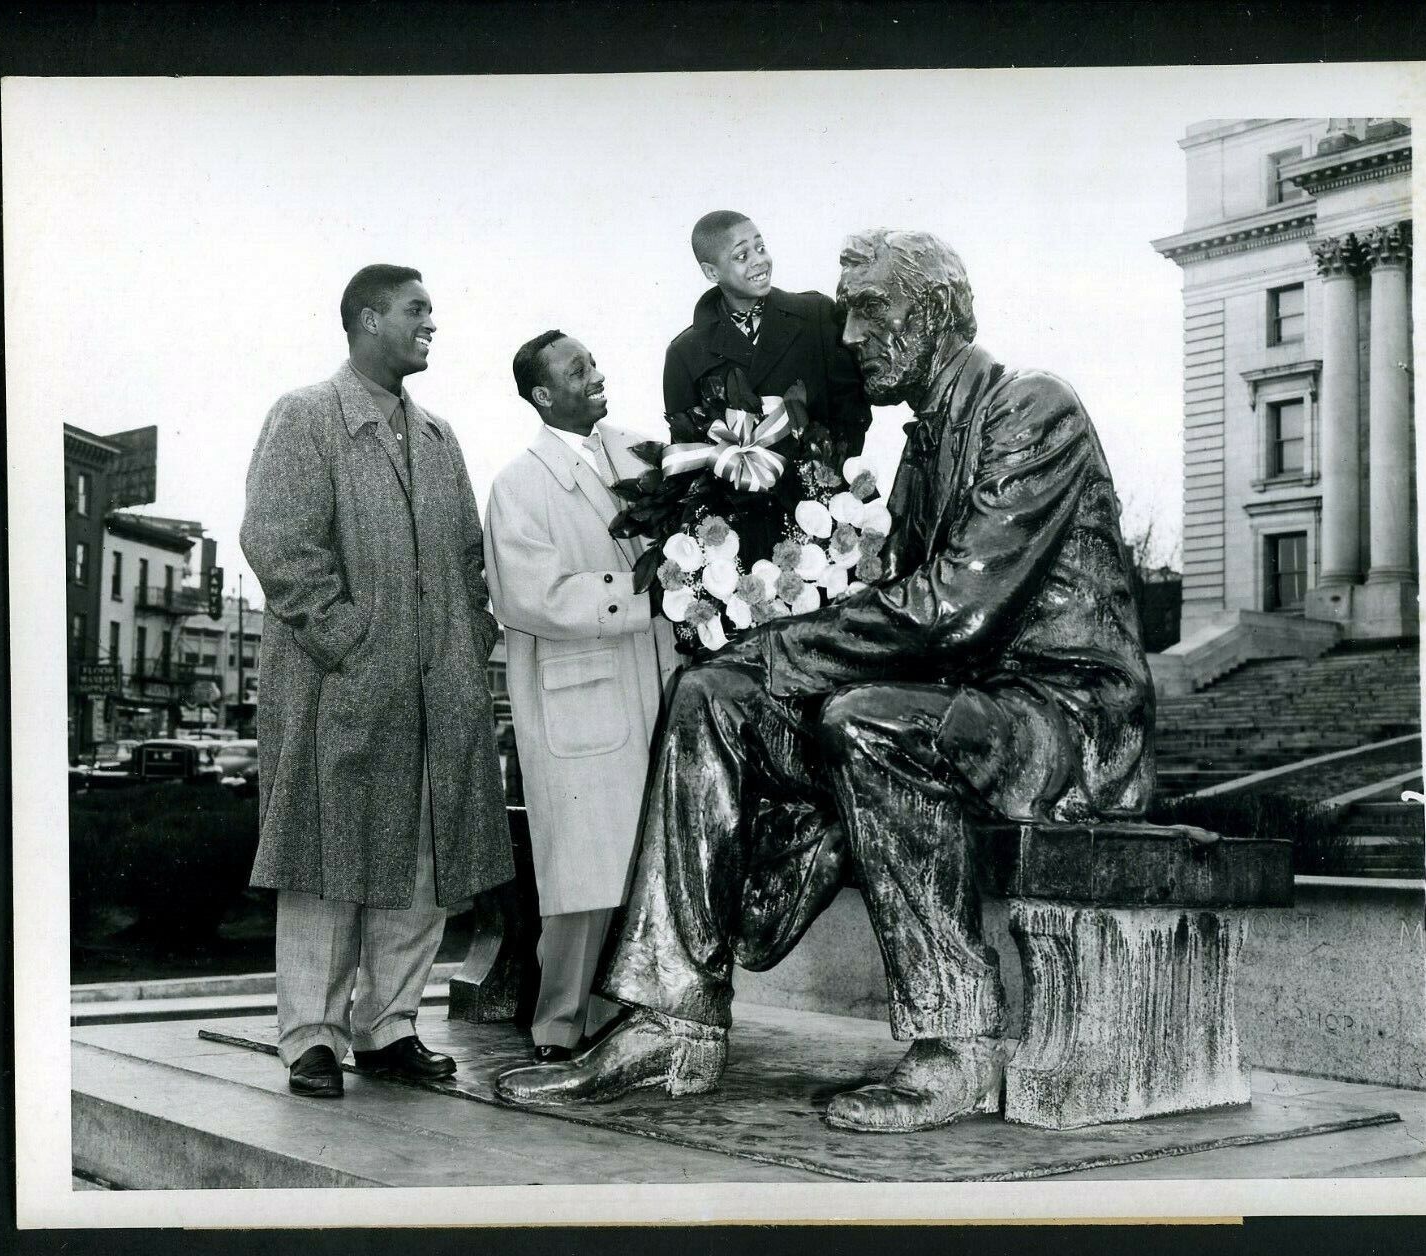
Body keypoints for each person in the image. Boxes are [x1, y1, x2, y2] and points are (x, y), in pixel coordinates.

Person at [495, 230, 1154, 1133]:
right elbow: (902, 610)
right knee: (711, 696)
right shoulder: (924, 446)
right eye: (846, 313)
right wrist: (759, 651)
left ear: (934, 309)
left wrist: (785, 646)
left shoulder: (1030, 409)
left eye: (871, 311)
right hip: (970, 702)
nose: (848, 335)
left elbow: (950, 608)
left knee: (865, 718)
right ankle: (672, 1017)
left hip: (1065, 720)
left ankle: (959, 1038)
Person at [241, 264, 513, 1098]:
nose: (433, 322)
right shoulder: (306, 417)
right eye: (416, 310)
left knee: (425, 864)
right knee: (329, 862)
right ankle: (310, 1038)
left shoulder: (440, 438)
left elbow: (467, 559)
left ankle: (388, 1027)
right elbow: (279, 544)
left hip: (437, 692)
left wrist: (467, 645)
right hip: (338, 690)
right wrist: (352, 642)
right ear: (366, 318)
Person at [484, 331, 680, 1064]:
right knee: (582, 876)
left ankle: (625, 1016)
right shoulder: (518, 486)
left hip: (649, 678)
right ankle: (559, 1026)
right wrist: (646, 593)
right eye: (578, 369)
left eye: (595, 361)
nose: (597, 375)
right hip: (578, 697)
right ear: (542, 394)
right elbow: (531, 596)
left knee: (645, 863)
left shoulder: (638, 452)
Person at [664, 210, 871, 465]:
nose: (759, 261)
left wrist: (828, 470)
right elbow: (687, 452)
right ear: (711, 273)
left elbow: (854, 407)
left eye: (760, 248)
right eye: (742, 256)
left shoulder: (817, 313)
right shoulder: (684, 353)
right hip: (738, 502)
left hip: (829, 490)